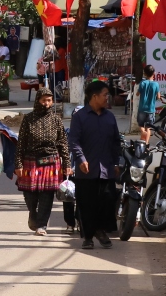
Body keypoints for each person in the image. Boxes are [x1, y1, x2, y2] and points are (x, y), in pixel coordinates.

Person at [68, 78, 122, 249]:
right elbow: (74, 141)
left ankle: (101, 230)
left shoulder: (110, 117)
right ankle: (88, 237)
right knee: (87, 205)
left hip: (106, 168)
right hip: (86, 171)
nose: (108, 98)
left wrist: (116, 162)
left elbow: (116, 142)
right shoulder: (80, 117)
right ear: (94, 96)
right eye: (105, 95)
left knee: (107, 202)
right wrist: (81, 159)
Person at [15, 87, 70, 236]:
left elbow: (63, 143)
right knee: (30, 193)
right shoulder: (28, 119)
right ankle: (33, 213)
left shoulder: (56, 120)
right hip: (31, 159)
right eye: (44, 100)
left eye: (49, 100)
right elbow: (21, 143)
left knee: (47, 194)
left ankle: (42, 225)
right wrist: (18, 164)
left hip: (51, 160)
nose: (46, 103)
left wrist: (67, 164)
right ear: (38, 101)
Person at [134, 65, 160, 144]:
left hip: (142, 109)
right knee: (148, 128)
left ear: (144, 74)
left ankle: (143, 133)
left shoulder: (143, 83)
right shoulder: (156, 84)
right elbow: (158, 97)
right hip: (151, 109)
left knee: (141, 125)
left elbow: (137, 94)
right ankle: (146, 144)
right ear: (154, 73)